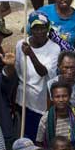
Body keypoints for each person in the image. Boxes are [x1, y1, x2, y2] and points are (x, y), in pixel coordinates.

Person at [16, 13, 61, 141]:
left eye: (43, 28)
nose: (40, 31)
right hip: (22, 101)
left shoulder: (54, 49)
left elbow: (43, 72)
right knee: (22, 137)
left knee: (37, 139)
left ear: (48, 29)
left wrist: (31, 54)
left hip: (39, 104)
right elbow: (18, 70)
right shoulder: (20, 45)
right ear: (31, 28)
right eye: (36, 28)